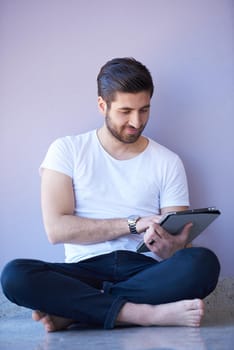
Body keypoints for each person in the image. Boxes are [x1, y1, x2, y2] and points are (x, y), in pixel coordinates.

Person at [1, 57, 220, 332]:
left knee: (202, 263)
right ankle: (144, 314)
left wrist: (172, 249)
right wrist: (133, 223)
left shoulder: (168, 161)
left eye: (144, 110)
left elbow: (178, 244)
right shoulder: (66, 150)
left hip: (143, 270)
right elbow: (57, 230)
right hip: (83, 272)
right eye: (125, 111)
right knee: (15, 275)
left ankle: (79, 311)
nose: (136, 122)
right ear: (102, 105)